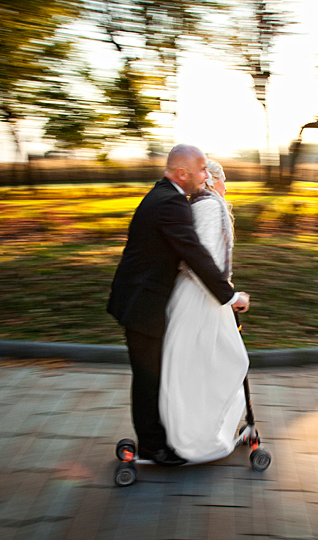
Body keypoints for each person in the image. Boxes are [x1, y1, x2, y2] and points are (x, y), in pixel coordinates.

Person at [107, 144, 250, 467]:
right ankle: (153, 448)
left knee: (157, 374)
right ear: (182, 173)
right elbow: (195, 256)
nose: (206, 176)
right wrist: (229, 296)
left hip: (142, 299)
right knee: (149, 378)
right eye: (201, 170)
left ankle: (161, 437)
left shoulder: (164, 196)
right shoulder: (171, 202)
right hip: (143, 304)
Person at [159, 159, 250, 463]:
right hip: (201, 299)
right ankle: (199, 438)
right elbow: (201, 262)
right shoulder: (211, 206)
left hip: (201, 295)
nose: (227, 188)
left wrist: (224, 287)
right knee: (228, 362)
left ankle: (195, 432)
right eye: (224, 181)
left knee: (198, 366)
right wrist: (230, 295)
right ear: (212, 180)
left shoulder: (198, 204)